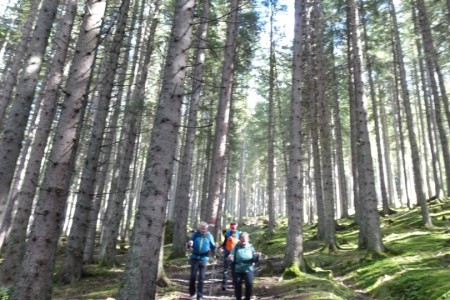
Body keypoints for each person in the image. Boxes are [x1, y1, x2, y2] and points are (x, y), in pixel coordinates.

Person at [188, 221, 218, 300]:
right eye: (202, 228)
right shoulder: (195, 234)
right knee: (192, 277)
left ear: (206, 229)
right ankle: (192, 292)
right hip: (194, 258)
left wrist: (216, 247)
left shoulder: (209, 236)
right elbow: (189, 243)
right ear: (199, 228)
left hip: (204, 259)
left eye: (204, 229)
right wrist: (190, 243)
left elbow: (213, 247)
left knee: (201, 278)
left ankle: (200, 295)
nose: (203, 230)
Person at [228, 232, 260, 300]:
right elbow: (232, 258)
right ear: (239, 239)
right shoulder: (236, 247)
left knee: (249, 284)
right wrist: (230, 258)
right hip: (237, 269)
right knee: (237, 285)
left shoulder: (251, 247)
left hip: (248, 269)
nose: (243, 242)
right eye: (242, 241)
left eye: (245, 241)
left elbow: (254, 259)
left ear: (248, 240)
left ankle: (247, 298)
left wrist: (257, 256)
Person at [220, 222, 240, 290]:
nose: (233, 229)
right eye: (231, 228)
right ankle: (224, 285)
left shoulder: (239, 234)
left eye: (234, 228)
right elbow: (225, 243)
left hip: (235, 254)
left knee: (234, 269)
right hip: (227, 253)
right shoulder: (227, 234)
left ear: (236, 227)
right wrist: (221, 247)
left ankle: (235, 283)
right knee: (225, 269)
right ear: (230, 227)